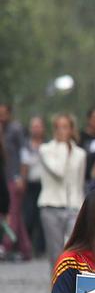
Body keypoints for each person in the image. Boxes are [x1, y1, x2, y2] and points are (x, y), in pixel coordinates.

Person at [38, 114, 87, 263]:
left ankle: (72, 284)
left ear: (72, 129)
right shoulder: (45, 149)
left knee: (74, 250)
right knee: (56, 253)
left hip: (74, 206)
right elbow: (58, 170)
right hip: (51, 206)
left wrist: (82, 207)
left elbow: (80, 182)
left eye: (65, 127)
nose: (61, 131)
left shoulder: (80, 153)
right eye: (58, 127)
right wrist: (63, 148)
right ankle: (57, 285)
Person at [1, 102, 32, 260]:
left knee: (12, 212)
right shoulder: (2, 130)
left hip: (14, 177)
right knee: (17, 215)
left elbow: (24, 152)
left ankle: (5, 246)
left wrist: (22, 176)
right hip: (4, 177)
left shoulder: (15, 129)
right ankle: (26, 249)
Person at [20, 116, 45, 256]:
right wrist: (22, 181)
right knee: (29, 216)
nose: (36, 129)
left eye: (38, 126)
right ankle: (27, 247)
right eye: (33, 126)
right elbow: (24, 165)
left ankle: (40, 248)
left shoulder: (48, 145)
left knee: (42, 217)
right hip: (30, 184)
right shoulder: (26, 145)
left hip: (45, 185)